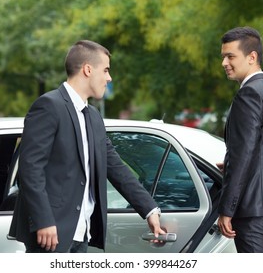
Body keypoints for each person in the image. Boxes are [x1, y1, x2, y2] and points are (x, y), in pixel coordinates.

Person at [9, 40, 165, 253]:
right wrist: (43, 220)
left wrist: (149, 209)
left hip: (82, 233)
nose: (109, 78)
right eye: (106, 70)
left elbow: (116, 167)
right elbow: (30, 169)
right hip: (50, 233)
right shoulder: (48, 106)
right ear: (88, 69)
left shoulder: (93, 116)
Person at [216, 27, 263, 253]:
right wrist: (229, 165)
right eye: (223, 57)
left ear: (252, 57)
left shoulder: (248, 94)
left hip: (253, 209)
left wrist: (227, 209)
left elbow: (243, 155)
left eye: (230, 56)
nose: (224, 63)